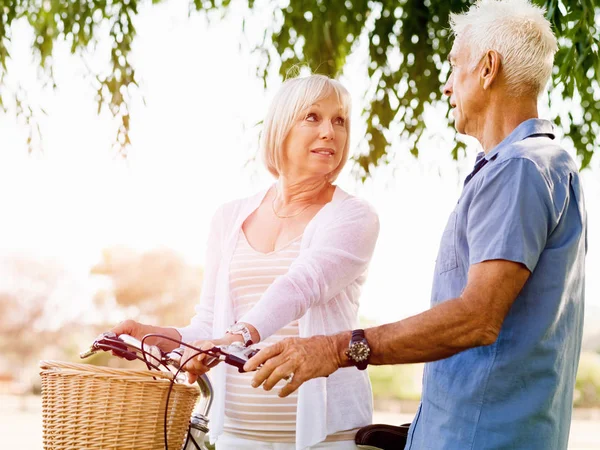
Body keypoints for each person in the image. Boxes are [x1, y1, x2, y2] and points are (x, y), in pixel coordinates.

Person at [245, 1, 587, 449]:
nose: (448, 86)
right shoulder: (534, 166)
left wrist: (337, 348)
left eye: (454, 67)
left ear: (487, 69)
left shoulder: (519, 169)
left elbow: (477, 319)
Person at [111, 74, 380, 450]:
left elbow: (303, 284)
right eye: (313, 117)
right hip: (238, 437)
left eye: (340, 121)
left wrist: (235, 337)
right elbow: (209, 325)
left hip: (326, 439)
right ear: (280, 128)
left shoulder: (352, 216)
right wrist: (155, 336)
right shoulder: (229, 217)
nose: (329, 132)